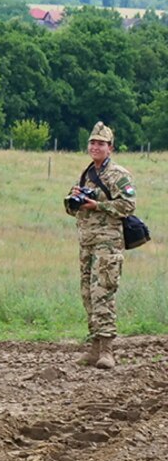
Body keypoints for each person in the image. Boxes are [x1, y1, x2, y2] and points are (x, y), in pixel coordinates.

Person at [66, 121, 136, 370]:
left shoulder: (119, 175)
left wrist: (98, 205)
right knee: (87, 294)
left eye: (101, 143)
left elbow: (128, 206)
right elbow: (74, 210)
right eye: (92, 142)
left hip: (108, 244)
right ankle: (94, 347)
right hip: (87, 244)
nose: (95, 147)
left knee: (102, 293)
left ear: (110, 147)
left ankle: (107, 349)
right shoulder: (87, 174)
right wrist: (75, 199)